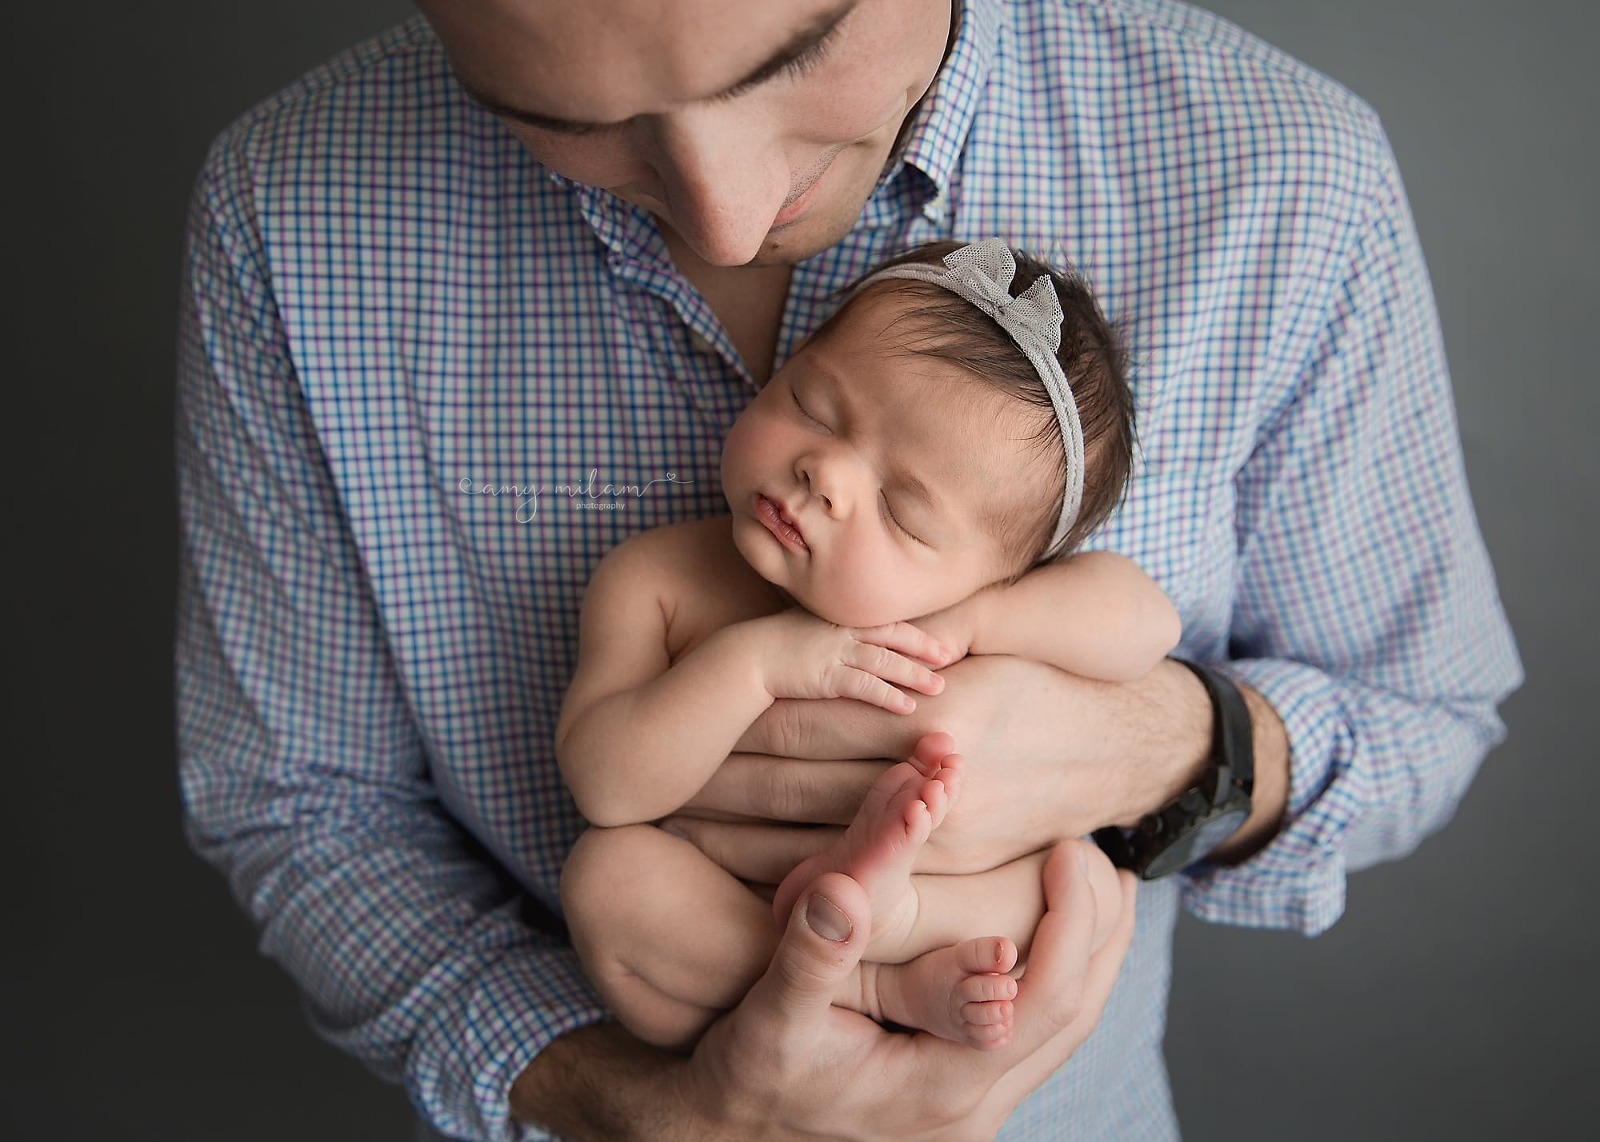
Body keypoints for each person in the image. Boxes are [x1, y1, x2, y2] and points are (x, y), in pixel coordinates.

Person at [173, 1, 1522, 1139]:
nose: (727, 209)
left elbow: (1423, 714)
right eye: (569, 121)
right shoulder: (288, 217)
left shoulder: (1284, 174)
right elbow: (299, 810)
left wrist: (1161, 741)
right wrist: (666, 1111)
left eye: (793, 57)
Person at [557, 238, 1179, 1052]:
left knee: (1081, 885)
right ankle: (866, 986)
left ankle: (888, 946)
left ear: (993, 573)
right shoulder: (660, 581)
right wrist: (753, 663)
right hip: (739, 941)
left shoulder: (967, 606)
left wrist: (973, 626)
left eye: (904, 513)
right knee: (607, 884)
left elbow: (1149, 624)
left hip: (930, 922)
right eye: (814, 405)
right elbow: (605, 788)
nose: (826, 473)